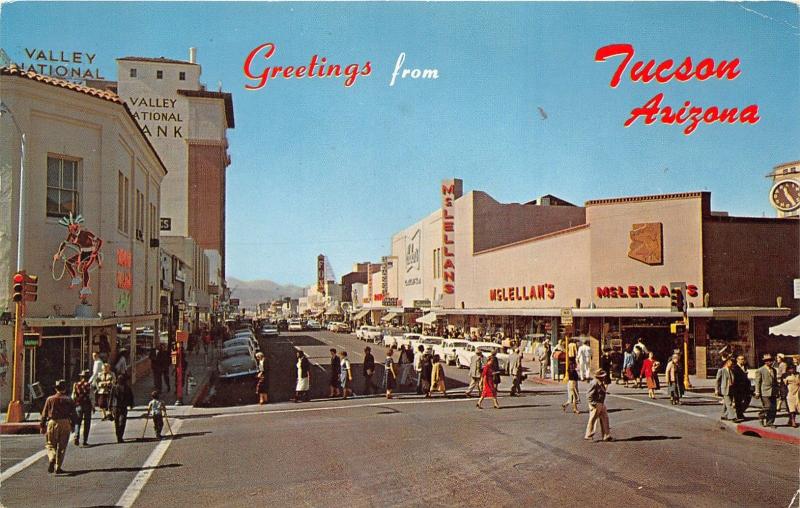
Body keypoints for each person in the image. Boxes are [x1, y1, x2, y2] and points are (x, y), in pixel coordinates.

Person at [40, 379, 78, 474]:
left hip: (53, 422)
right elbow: (73, 414)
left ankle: (52, 457)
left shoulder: (50, 399)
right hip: (65, 422)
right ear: (64, 389)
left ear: (56, 389)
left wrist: (42, 425)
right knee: (62, 446)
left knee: (50, 444)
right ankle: (58, 467)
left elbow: (44, 414)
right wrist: (73, 425)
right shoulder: (69, 400)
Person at [584, 369, 612, 441]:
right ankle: (589, 434)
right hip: (596, 403)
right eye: (602, 376)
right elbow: (589, 395)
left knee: (605, 418)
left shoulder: (600, 383)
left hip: (601, 403)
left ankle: (606, 435)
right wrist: (594, 404)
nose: (604, 377)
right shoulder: (594, 383)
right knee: (593, 419)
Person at [754, 353, 779, 428]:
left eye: (771, 360)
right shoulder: (760, 370)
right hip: (764, 391)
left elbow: (775, 381)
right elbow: (757, 382)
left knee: (773, 408)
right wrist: (757, 392)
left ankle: (770, 422)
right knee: (767, 406)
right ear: (765, 362)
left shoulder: (774, 370)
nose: (770, 362)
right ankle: (761, 415)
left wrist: (777, 391)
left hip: (773, 391)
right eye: (767, 361)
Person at [109, 374, 134, 443]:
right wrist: (110, 407)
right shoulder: (114, 387)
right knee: (116, 422)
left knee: (122, 422)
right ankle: (118, 436)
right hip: (116, 407)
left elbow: (131, 396)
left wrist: (131, 404)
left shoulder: (127, 388)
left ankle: (120, 435)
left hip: (123, 406)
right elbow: (111, 397)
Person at [71, 370, 93, 446]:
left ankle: (76, 436)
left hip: (78, 404)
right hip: (87, 405)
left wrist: (73, 404)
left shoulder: (76, 384)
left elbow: (73, 396)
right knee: (87, 423)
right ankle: (84, 440)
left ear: (81, 377)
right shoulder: (90, 385)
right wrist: (93, 406)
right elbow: (91, 397)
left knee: (78, 422)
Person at [715, 356, 736, 421]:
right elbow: (717, 380)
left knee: (726, 404)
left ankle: (723, 415)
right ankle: (733, 417)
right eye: (730, 363)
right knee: (729, 403)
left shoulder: (732, 370)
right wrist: (716, 389)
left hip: (731, 389)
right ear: (727, 362)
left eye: (732, 363)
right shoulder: (721, 370)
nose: (731, 364)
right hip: (725, 389)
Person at [731, 355, 750, 422]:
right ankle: (739, 415)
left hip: (745, 388)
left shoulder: (745, 367)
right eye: (741, 359)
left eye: (743, 359)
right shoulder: (735, 368)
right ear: (737, 360)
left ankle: (740, 413)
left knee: (747, 400)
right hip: (738, 388)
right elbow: (735, 378)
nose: (742, 360)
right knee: (738, 402)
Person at [782, 363, 799, 428]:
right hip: (789, 392)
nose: (792, 370)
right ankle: (793, 421)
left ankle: (790, 420)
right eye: (790, 369)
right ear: (788, 369)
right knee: (791, 408)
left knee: (796, 407)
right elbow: (783, 385)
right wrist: (783, 394)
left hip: (797, 392)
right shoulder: (785, 375)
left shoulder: (798, 374)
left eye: (793, 368)